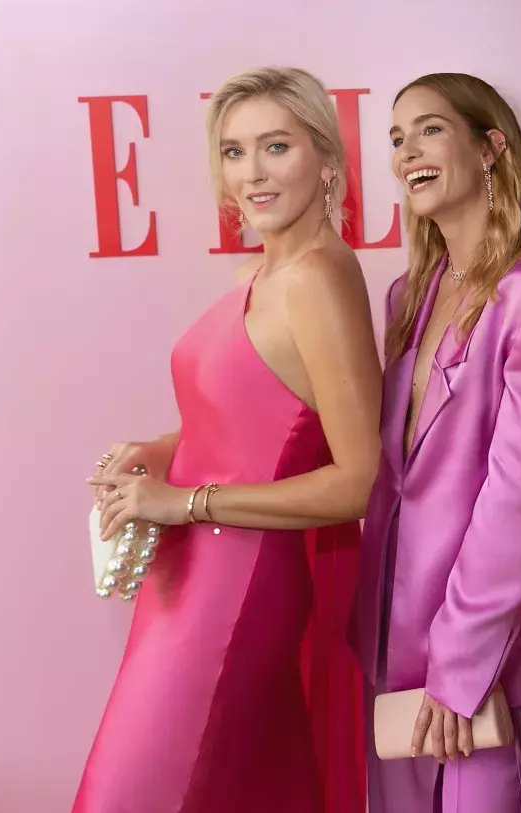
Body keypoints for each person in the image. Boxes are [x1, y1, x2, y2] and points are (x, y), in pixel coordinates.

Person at [74, 67, 379, 813]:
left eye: (276, 146)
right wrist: (160, 448)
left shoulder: (316, 278)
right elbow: (258, 415)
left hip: (237, 588)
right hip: (191, 580)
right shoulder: (263, 270)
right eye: (235, 152)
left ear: (326, 159)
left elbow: (357, 480)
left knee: (136, 793)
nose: (252, 173)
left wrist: (183, 502)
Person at [349, 72, 521, 813]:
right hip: (393, 658)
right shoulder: (407, 296)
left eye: (429, 128)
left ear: (491, 148)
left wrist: (459, 667)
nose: (406, 151)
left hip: (490, 665)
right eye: (396, 137)